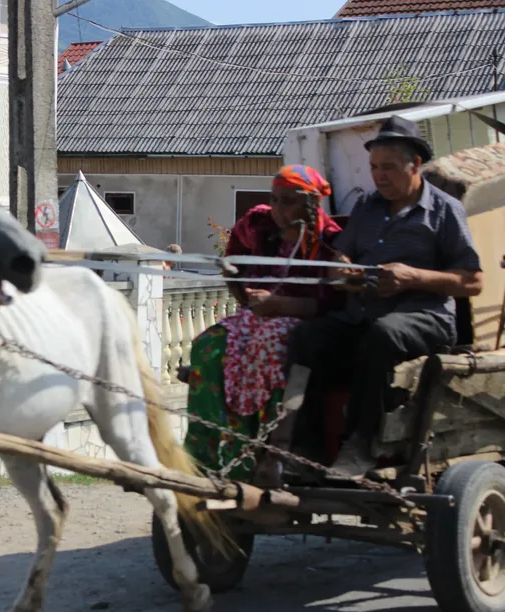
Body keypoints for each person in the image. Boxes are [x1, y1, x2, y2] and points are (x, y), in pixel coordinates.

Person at [287, 116, 483, 478]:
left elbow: (472, 281)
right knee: (306, 337)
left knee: (383, 334)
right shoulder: (367, 208)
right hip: (362, 316)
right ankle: (305, 450)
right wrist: (343, 271)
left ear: (415, 165)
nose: (379, 176)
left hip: (425, 319)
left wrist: (414, 277)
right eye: (374, 167)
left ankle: (360, 446)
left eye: (389, 168)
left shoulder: (444, 211)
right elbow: (340, 257)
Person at [181, 164, 346, 483]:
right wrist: (243, 293)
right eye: (275, 199)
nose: (279, 209)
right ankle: (201, 453)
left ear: (310, 204)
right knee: (207, 345)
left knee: (265, 346)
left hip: (301, 320)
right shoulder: (258, 223)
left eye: (288, 201)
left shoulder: (329, 240)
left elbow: (333, 302)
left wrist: (280, 305)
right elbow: (233, 257)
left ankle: (256, 455)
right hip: (257, 315)